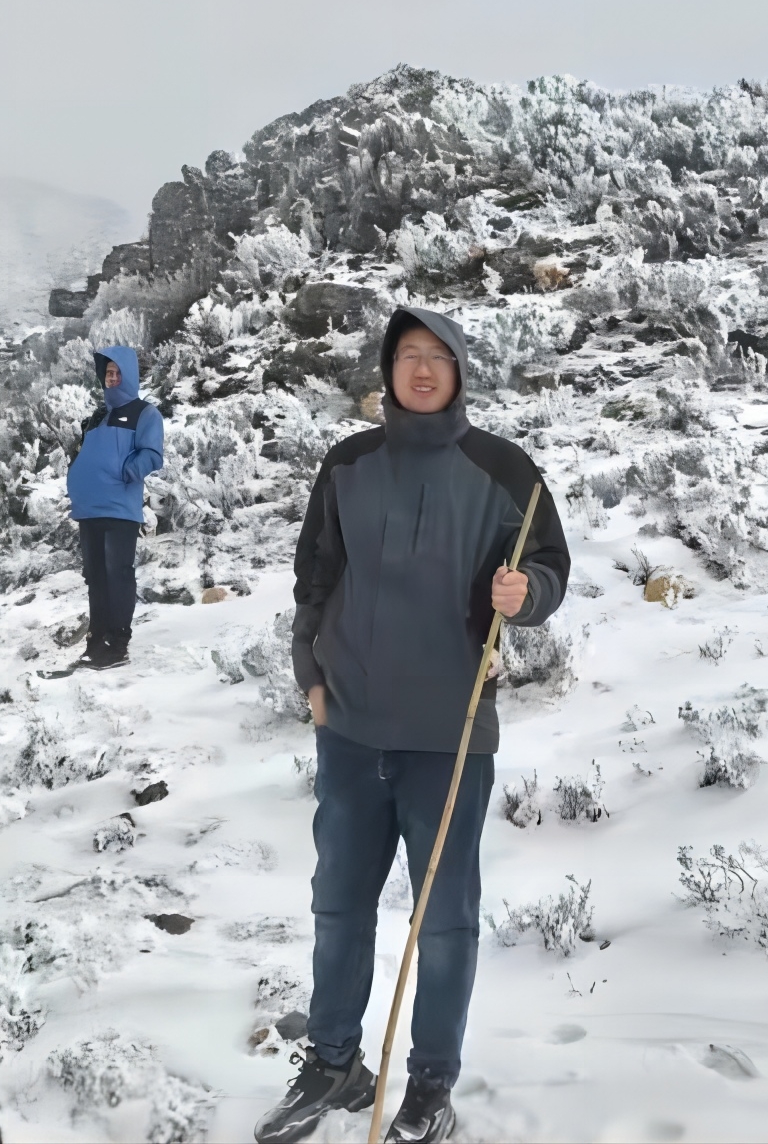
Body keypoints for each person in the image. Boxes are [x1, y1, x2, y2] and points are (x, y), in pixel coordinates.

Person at [259, 307, 570, 1144]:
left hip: (450, 728)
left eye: (439, 356)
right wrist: (309, 675)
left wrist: (526, 595)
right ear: (389, 370)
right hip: (353, 726)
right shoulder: (349, 463)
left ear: (461, 370)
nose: (423, 370)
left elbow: (548, 566)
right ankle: (334, 1065)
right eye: (408, 356)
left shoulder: (506, 471)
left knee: (443, 918)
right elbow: (315, 575)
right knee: (338, 904)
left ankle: (430, 1083)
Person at [61, 343, 164, 671]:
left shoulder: (144, 413)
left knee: (116, 574)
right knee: (95, 575)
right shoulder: (96, 417)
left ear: (130, 375)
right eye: (109, 373)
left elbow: (152, 454)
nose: (113, 378)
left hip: (119, 508)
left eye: (119, 373)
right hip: (89, 509)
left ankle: (117, 642)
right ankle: (97, 639)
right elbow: (81, 451)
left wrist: (125, 471)